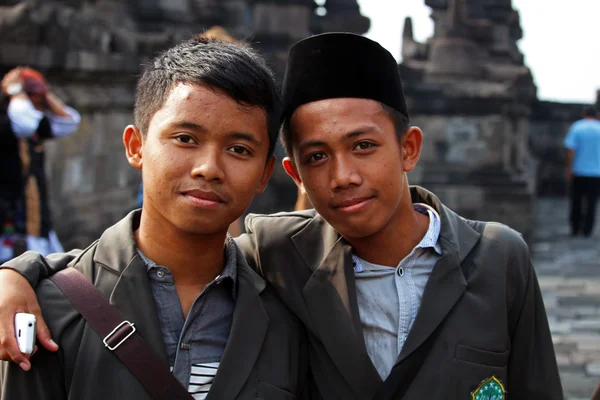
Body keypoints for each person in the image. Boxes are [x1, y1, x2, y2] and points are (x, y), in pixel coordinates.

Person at [0, 33, 562, 399]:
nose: (343, 176)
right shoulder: (282, 259)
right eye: (317, 156)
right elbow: (104, 267)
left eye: (364, 146)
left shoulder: (497, 257)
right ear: (292, 173)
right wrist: (19, 274)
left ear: (408, 148)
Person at [0, 37, 312, 399]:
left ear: (264, 174)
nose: (208, 168)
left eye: (239, 149)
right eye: (184, 138)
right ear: (136, 146)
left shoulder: (289, 316)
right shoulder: (46, 311)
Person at [0, 67, 80, 263]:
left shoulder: (35, 122)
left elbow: (69, 121)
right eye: (34, 96)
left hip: (34, 212)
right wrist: (16, 93)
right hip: (8, 212)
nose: (39, 102)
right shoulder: (9, 123)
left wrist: (46, 94)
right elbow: (24, 124)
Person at [564, 107, 600, 237]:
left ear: (583, 114)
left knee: (576, 201)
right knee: (592, 202)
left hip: (579, 170)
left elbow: (570, 149)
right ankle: (587, 230)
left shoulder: (577, 127)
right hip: (596, 172)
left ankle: (575, 228)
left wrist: (569, 167)